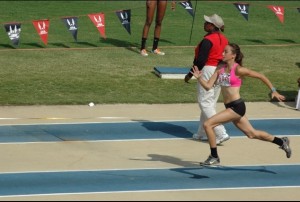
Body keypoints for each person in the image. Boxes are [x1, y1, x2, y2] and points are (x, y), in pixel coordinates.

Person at [191, 43, 291, 166]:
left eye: (225, 52)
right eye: (223, 51)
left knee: (208, 124)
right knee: (251, 134)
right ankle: (281, 142)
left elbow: (261, 76)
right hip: (230, 107)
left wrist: (274, 91)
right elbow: (207, 87)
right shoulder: (220, 68)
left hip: (237, 107)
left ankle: (214, 156)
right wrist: (199, 78)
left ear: (233, 55)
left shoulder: (239, 70)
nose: (222, 54)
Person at [184, 14, 230, 144]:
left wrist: (190, 74)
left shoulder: (207, 40)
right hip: (220, 70)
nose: (204, 24)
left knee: (205, 103)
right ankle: (201, 133)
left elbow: (200, 61)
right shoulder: (224, 39)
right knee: (210, 103)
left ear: (212, 26)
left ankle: (220, 132)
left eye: (207, 22)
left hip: (208, 70)